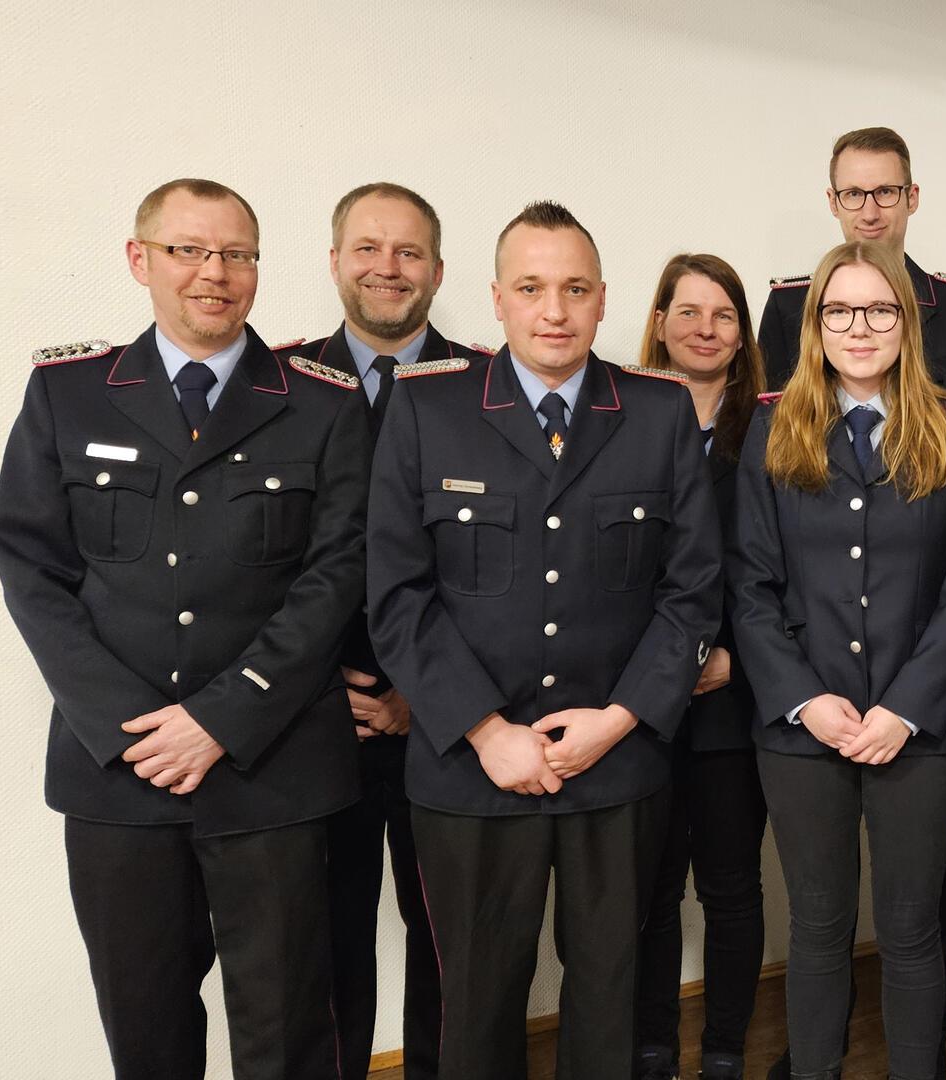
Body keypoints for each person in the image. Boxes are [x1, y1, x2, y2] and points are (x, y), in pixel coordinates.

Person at [0, 177, 370, 1079]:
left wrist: (222, 718)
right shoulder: (69, 392)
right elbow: (30, 566)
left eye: (237, 255)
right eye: (189, 251)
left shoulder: (322, 402)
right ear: (141, 260)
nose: (215, 274)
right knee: (146, 1025)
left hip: (272, 769)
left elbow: (338, 575)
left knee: (287, 1030)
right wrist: (132, 726)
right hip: (118, 776)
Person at [367, 200, 722, 1080]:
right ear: (496, 297)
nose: (553, 310)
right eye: (531, 287)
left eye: (573, 289)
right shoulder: (428, 411)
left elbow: (692, 592)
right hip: (470, 768)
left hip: (617, 765)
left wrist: (618, 720)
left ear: (603, 300)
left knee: (611, 992)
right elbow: (398, 594)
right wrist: (489, 732)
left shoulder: (657, 411)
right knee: (476, 1004)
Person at [729, 240, 946, 1080]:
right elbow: (750, 582)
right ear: (815, 323)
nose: (859, 327)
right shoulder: (775, 426)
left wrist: (908, 705)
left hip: (916, 729)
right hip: (801, 725)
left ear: (906, 323)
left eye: (878, 309)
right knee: (816, 926)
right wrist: (806, 700)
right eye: (839, 310)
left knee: (914, 925)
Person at [282, 180, 481, 1080]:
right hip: (312, 719)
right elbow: (264, 565)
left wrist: (424, 693)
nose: (388, 268)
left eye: (408, 252)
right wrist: (328, 688)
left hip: (450, 721)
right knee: (324, 951)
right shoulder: (279, 383)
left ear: (438, 269)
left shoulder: (485, 388)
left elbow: (499, 576)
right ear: (334, 262)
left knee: (453, 950)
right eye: (368, 248)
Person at [632, 253, 769, 1080]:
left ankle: (722, 1048)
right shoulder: (622, 415)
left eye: (724, 315)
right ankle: (649, 1043)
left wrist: (735, 659)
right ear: (658, 322)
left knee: (729, 887)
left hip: (729, 699)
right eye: (688, 312)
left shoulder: (778, 424)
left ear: (743, 334)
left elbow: (790, 567)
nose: (705, 329)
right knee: (648, 891)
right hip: (637, 700)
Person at [759, 126, 946, 390]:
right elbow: (773, 422)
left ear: (911, 198)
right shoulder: (788, 306)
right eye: (854, 194)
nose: (870, 213)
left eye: (885, 192)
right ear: (833, 202)